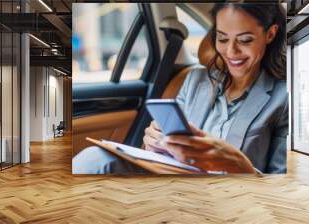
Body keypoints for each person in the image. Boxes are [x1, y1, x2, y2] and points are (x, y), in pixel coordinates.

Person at [73, 3, 288, 174]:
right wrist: (155, 144)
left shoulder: (284, 98)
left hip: (233, 199)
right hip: (175, 184)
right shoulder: (195, 81)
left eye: (245, 40)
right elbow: (172, 147)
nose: (231, 51)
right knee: (94, 159)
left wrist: (238, 164)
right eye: (222, 38)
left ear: (270, 34)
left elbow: (282, 188)